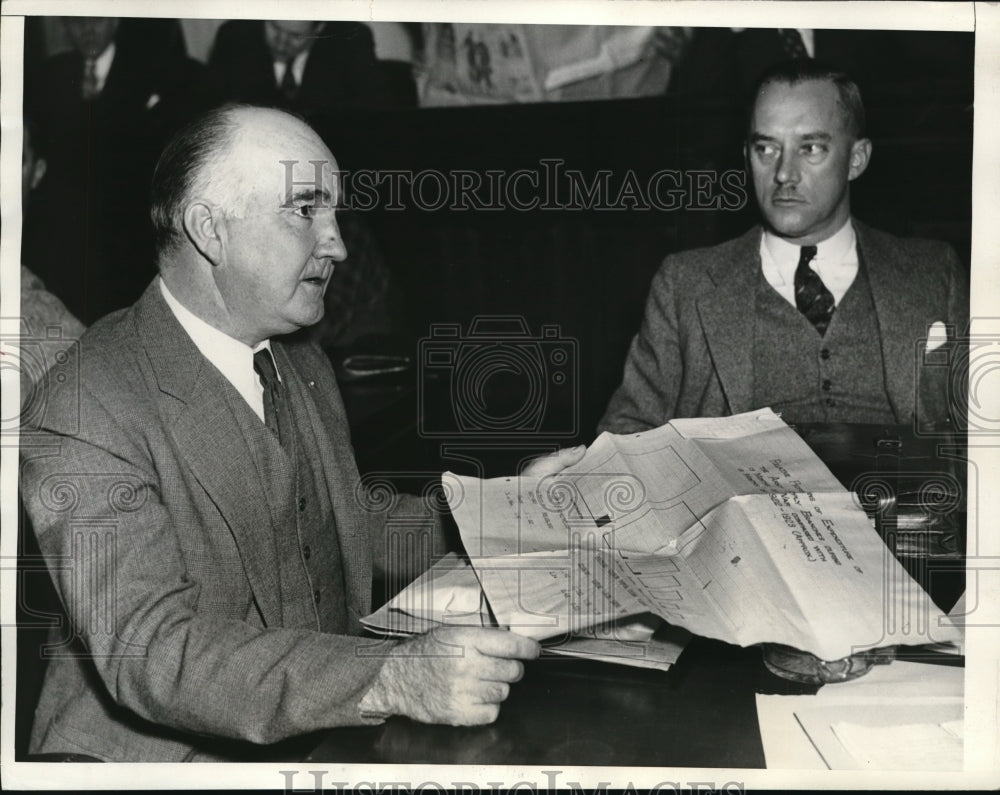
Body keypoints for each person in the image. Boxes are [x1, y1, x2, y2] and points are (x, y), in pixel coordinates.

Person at [18, 105, 582, 762]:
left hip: (317, 735)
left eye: (335, 212)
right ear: (209, 230)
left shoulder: (298, 358)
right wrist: (393, 675)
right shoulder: (85, 400)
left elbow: (340, 522)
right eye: (305, 210)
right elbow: (153, 648)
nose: (338, 242)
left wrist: (510, 514)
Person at [599, 60, 969, 434]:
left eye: (809, 148)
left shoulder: (935, 272)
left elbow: (984, 430)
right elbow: (627, 432)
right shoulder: (684, 284)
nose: (784, 174)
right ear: (746, 157)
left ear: (856, 159)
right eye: (766, 149)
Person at [24, 16, 217, 324]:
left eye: (96, 22)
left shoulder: (143, 73)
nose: (87, 31)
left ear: (114, 22)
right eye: (76, 24)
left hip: (124, 229)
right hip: (69, 225)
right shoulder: (51, 75)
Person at [208, 20, 393, 118]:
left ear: (319, 29)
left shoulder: (351, 40)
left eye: (295, 36)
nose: (281, 42)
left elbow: (375, 111)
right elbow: (209, 104)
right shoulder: (234, 36)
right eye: (274, 28)